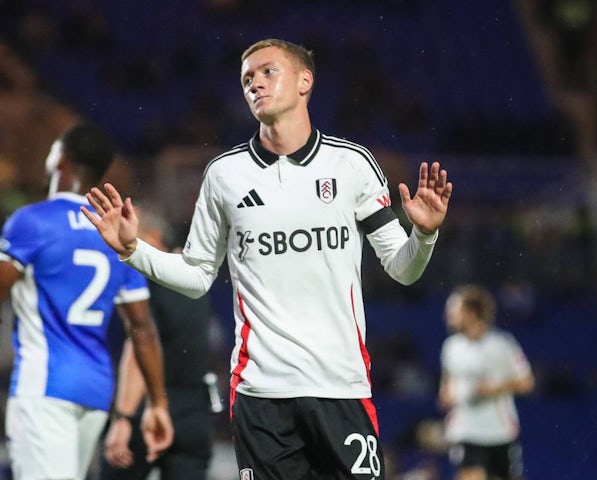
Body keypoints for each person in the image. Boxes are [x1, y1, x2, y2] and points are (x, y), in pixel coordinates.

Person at [82, 38, 453, 479]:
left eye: (267, 72)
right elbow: (199, 275)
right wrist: (132, 250)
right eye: (246, 79)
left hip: (340, 385)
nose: (255, 83)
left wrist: (424, 235)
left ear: (304, 81)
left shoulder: (351, 164)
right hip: (261, 394)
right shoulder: (224, 175)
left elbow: (402, 268)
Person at [0, 123, 173, 480]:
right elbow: (141, 328)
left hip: (44, 387)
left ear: (60, 157)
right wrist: (158, 402)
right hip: (95, 390)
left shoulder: (32, 221)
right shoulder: (117, 234)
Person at [99, 206, 220, 480]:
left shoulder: (146, 282)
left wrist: (123, 418)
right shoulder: (196, 281)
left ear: (153, 238)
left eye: (132, 235)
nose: (121, 243)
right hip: (195, 412)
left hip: (151, 408)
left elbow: (139, 346)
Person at [438, 285, 535, 480]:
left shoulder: (502, 345)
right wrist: (446, 397)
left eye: (454, 311)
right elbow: (446, 387)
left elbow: (527, 382)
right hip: (466, 432)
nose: (448, 316)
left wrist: (495, 388)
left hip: (500, 432)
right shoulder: (451, 347)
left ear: (471, 313)